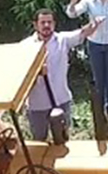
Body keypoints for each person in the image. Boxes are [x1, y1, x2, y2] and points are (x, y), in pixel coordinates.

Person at [20, 9, 98, 142]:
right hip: (36, 104)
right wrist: (37, 71)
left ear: (54, 24)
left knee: (63, 140)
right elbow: (20, 73)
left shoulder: (62, 40)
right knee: (39, 141)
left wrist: (96, 23)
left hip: (61, 100)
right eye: (42, 22)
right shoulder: (25, 46)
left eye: (49, 22)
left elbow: (83, 32)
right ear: (35, 25)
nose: (46, 25)